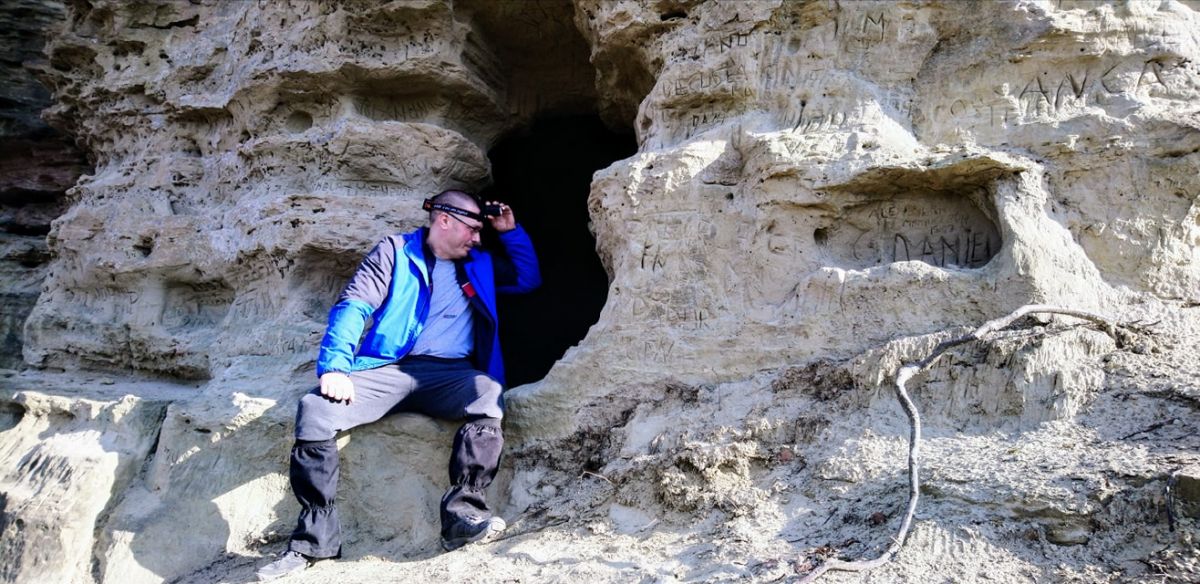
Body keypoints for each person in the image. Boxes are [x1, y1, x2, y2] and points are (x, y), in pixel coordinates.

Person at [257, 190, 541, 581]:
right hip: (388, 368)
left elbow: (527, 279)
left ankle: (463, 517)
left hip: (451, 374)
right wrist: (335, 367)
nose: (478, 238)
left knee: (487, 394)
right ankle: (314, 541)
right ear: (444, 221)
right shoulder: (395, 252)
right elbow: (355, 304)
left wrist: (509, 232)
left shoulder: (479, 263)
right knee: (316, 409)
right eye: (473, 229)